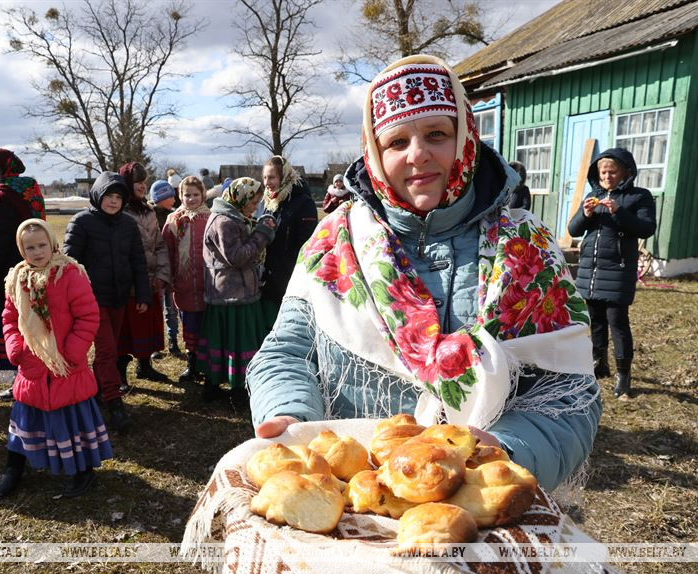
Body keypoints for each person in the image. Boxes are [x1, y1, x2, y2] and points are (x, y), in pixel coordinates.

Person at [247, 55, 602, 493]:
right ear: (375, 154)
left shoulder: (525, 246)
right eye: (396, 142)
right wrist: (291, 417)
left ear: (465, 138)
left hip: (486, 500)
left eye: (437, 134)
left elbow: (569, 391)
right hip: (353, 497)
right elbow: (286, 353)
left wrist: (504, 453)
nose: (418, 155)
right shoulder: (335, 243)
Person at [0, 219, 112, 499]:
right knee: (26, 420)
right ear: (21, 249)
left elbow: (88, 316)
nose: (36, 252)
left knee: (71, 421)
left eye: (41, 245)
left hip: (65, 366)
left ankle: (81, 469)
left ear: (52, 243)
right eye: (29, 247)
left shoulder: (70, 274)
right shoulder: (17, 279)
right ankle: (15, 467)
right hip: (32, 365)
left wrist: (72, 351)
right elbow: (10, 318)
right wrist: (16, 348)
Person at [63, 171, 151, 433]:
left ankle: (98, 391)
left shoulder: (127, 224)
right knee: (107, 351)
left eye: (119, 197)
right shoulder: (81, 222)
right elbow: (69, 262)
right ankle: (114, 404)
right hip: (91, 300)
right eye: (109, 196)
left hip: (119, 297)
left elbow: (138, 261)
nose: (113, 201)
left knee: (108, 349)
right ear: (97, 194)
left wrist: (143, 294)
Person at [567, 148, 656, 399]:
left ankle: (623, 375)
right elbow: (573, 229)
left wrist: (619, 211)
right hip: (590, 271)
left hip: (617, 271)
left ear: (626, 172)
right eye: (603, 172)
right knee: (595, 320)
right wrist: (585, 214)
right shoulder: (593, 196)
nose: (606, 176)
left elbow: (646, 228)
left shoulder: (640, 197)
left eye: (612, 172)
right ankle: (599, 364)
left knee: (618, 323)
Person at [198, 177, 275, 406]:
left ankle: (214, 388)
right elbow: (238, 257)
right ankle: (237, 393)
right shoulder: (225, 222)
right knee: (234, 343)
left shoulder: (232, 217)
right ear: (239, 198)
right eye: (252, 202)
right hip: (231, 295)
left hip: (233, 292)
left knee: (225, 342)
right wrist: (262, 233)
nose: (254, 207)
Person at [0, 148, 45, 400]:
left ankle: (14, 382)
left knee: (7, 329)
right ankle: (39, 374)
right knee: (34, 325)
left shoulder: (0, 197)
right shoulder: (30, 190)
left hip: (8, 277)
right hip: (36, 269)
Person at [115, 163, 172, 383]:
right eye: (138, 181)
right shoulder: (119, 212)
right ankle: (120, 372)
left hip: (150, 281)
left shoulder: (148, 211)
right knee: (127, 329)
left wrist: (161, 274)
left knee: (147, 326)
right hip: (129, 284)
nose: (142, 186)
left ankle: (144, 365)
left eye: (144, 181)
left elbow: (159, 245)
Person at [259, 155, 318, 330]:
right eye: (264, 177)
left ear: (284, 176)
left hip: (289, 276)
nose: (267, 182)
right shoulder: (267, 201)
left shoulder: (303, 203)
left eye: (272, 177)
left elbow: (306, 244)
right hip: (266, 277)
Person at [162, 176, 211, 382]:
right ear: (179, 195)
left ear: (203, 195)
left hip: (208, 282)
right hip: (184, 283)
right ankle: (192, 363)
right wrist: (169, 276)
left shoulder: (211, 217)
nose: (191, 199)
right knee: (189, 324)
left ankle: (208, 364)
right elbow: (167, 250)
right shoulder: (174, 220)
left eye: (195, 195)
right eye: (186, 195)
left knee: (207, 325)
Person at [150, 179, 181, 357]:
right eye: (170, 196)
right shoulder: (151, 215)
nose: (173, 198)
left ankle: (173, 341)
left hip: (171, 269)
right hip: (156, 270)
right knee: (158, 309)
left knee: (171, 308)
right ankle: (155, 345)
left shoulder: (174, 216)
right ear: (161, 197)